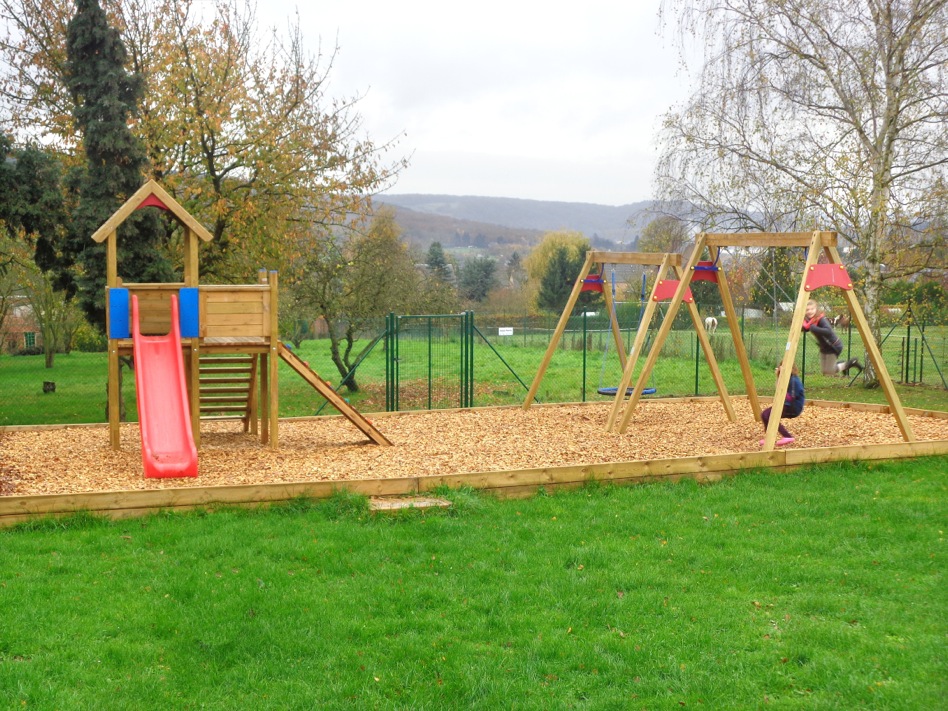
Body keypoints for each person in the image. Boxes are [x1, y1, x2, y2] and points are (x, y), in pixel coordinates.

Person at [802, 300, 864, 376]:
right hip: (824, 347)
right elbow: (807, 328)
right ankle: (843, 364)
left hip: (833, 346)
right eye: (807, 310)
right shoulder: (810, 321)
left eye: (812, 309)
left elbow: (828, 331)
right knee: (825, 371)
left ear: (816, 309)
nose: (810, 311)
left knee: (830, 371)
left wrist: (814, 328)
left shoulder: (821, 320)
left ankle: (852, 362)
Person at [760, 363, 805, 447]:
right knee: (765, 415)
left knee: (769, 415)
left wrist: (781, 389)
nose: (779, 369)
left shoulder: (794, 380)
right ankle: (769, 438)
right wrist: (779, 377)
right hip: (787, 404)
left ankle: (787, 436)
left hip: (793, 407)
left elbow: (791, 397)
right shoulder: (786, 379)